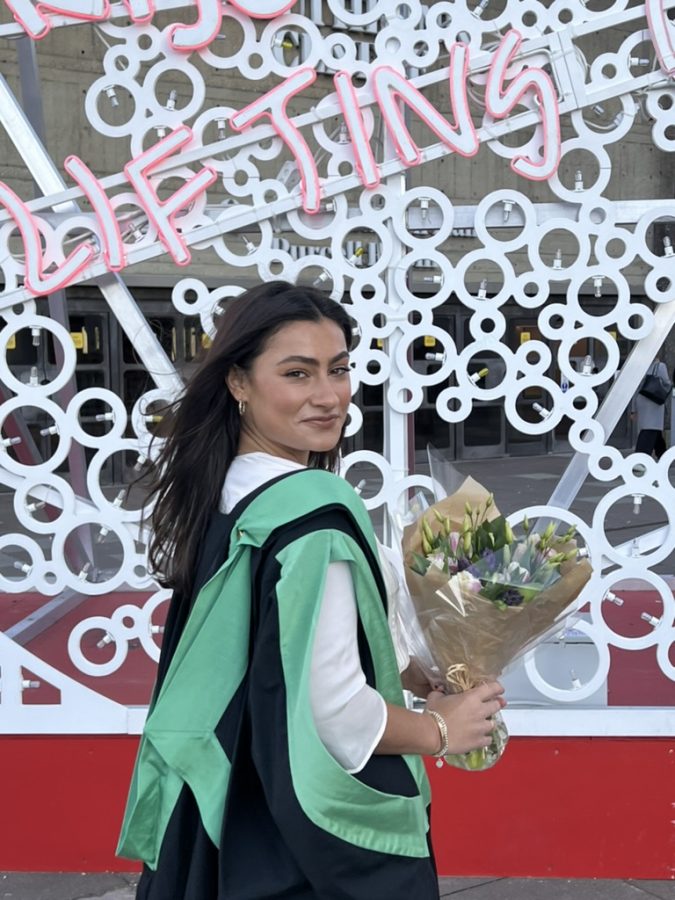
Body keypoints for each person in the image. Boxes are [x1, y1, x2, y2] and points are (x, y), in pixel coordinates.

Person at [117, 281, 505, 899]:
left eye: (339, 369)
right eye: (297, 373)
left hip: (225, 805)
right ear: (238, 382)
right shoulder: (312, 520)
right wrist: (439, 728)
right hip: (298, 838)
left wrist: (411, 672)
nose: (328, 396)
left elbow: (277, 646)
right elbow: (336, 716)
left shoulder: (224, 494)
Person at [633, 357, 671, 461]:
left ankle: (661, 453)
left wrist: (633, 409)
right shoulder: (660, 366)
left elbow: (636, 388)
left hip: (641, 400)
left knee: (652, 429)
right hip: (655, 401)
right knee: (651, 429)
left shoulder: (640, 366)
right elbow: (666, 383)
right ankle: (642, 457)